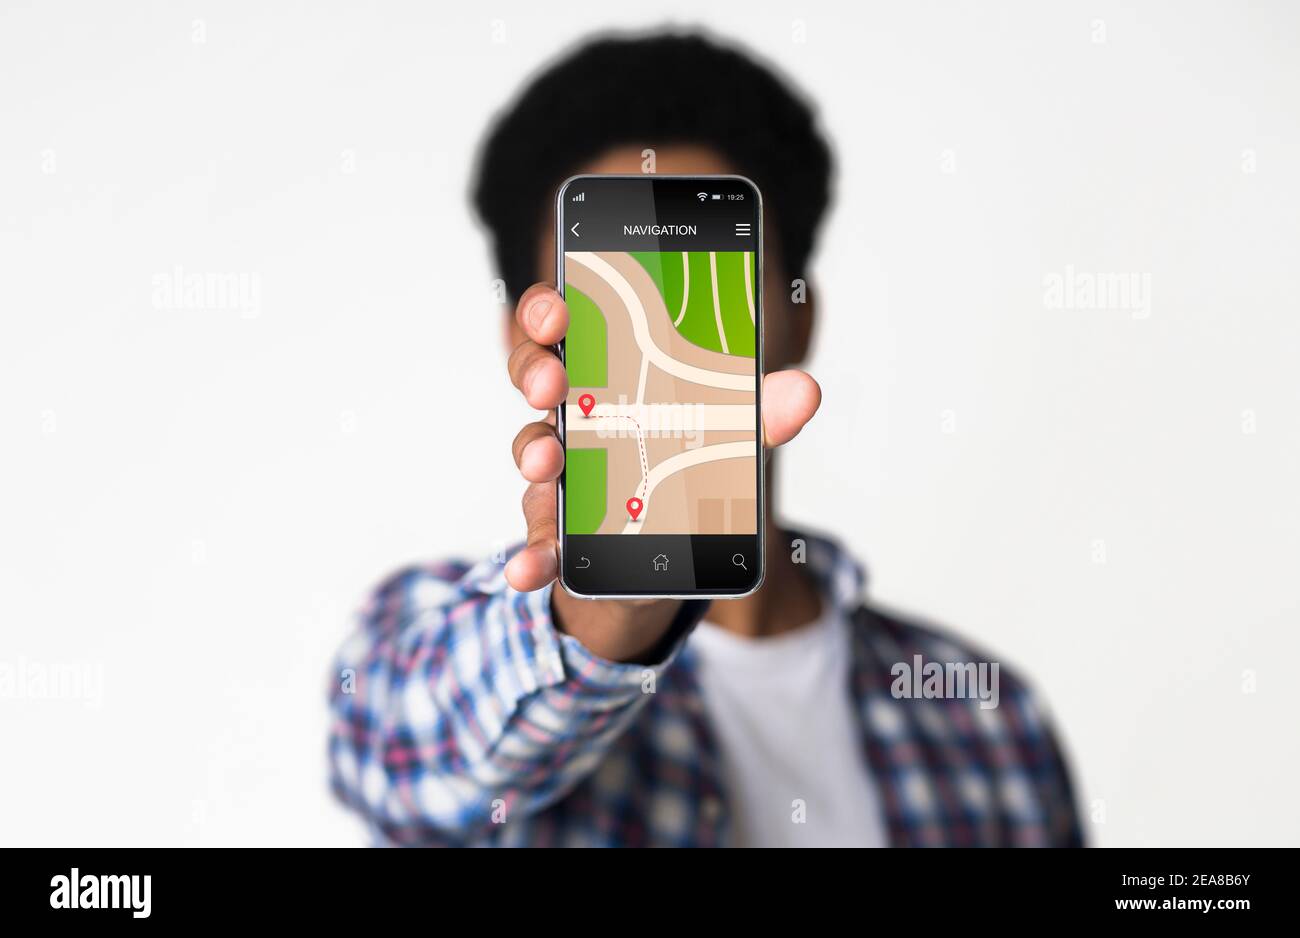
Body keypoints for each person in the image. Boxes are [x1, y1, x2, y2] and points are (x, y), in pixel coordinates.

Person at [327, 31, 1083, 847]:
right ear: (531, 337)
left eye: (706, 280)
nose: (670, 347)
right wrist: (599, 613)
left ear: (800, 315)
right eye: (613, 290)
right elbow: (411, 763)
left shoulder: (986, 716)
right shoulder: (418, 639)